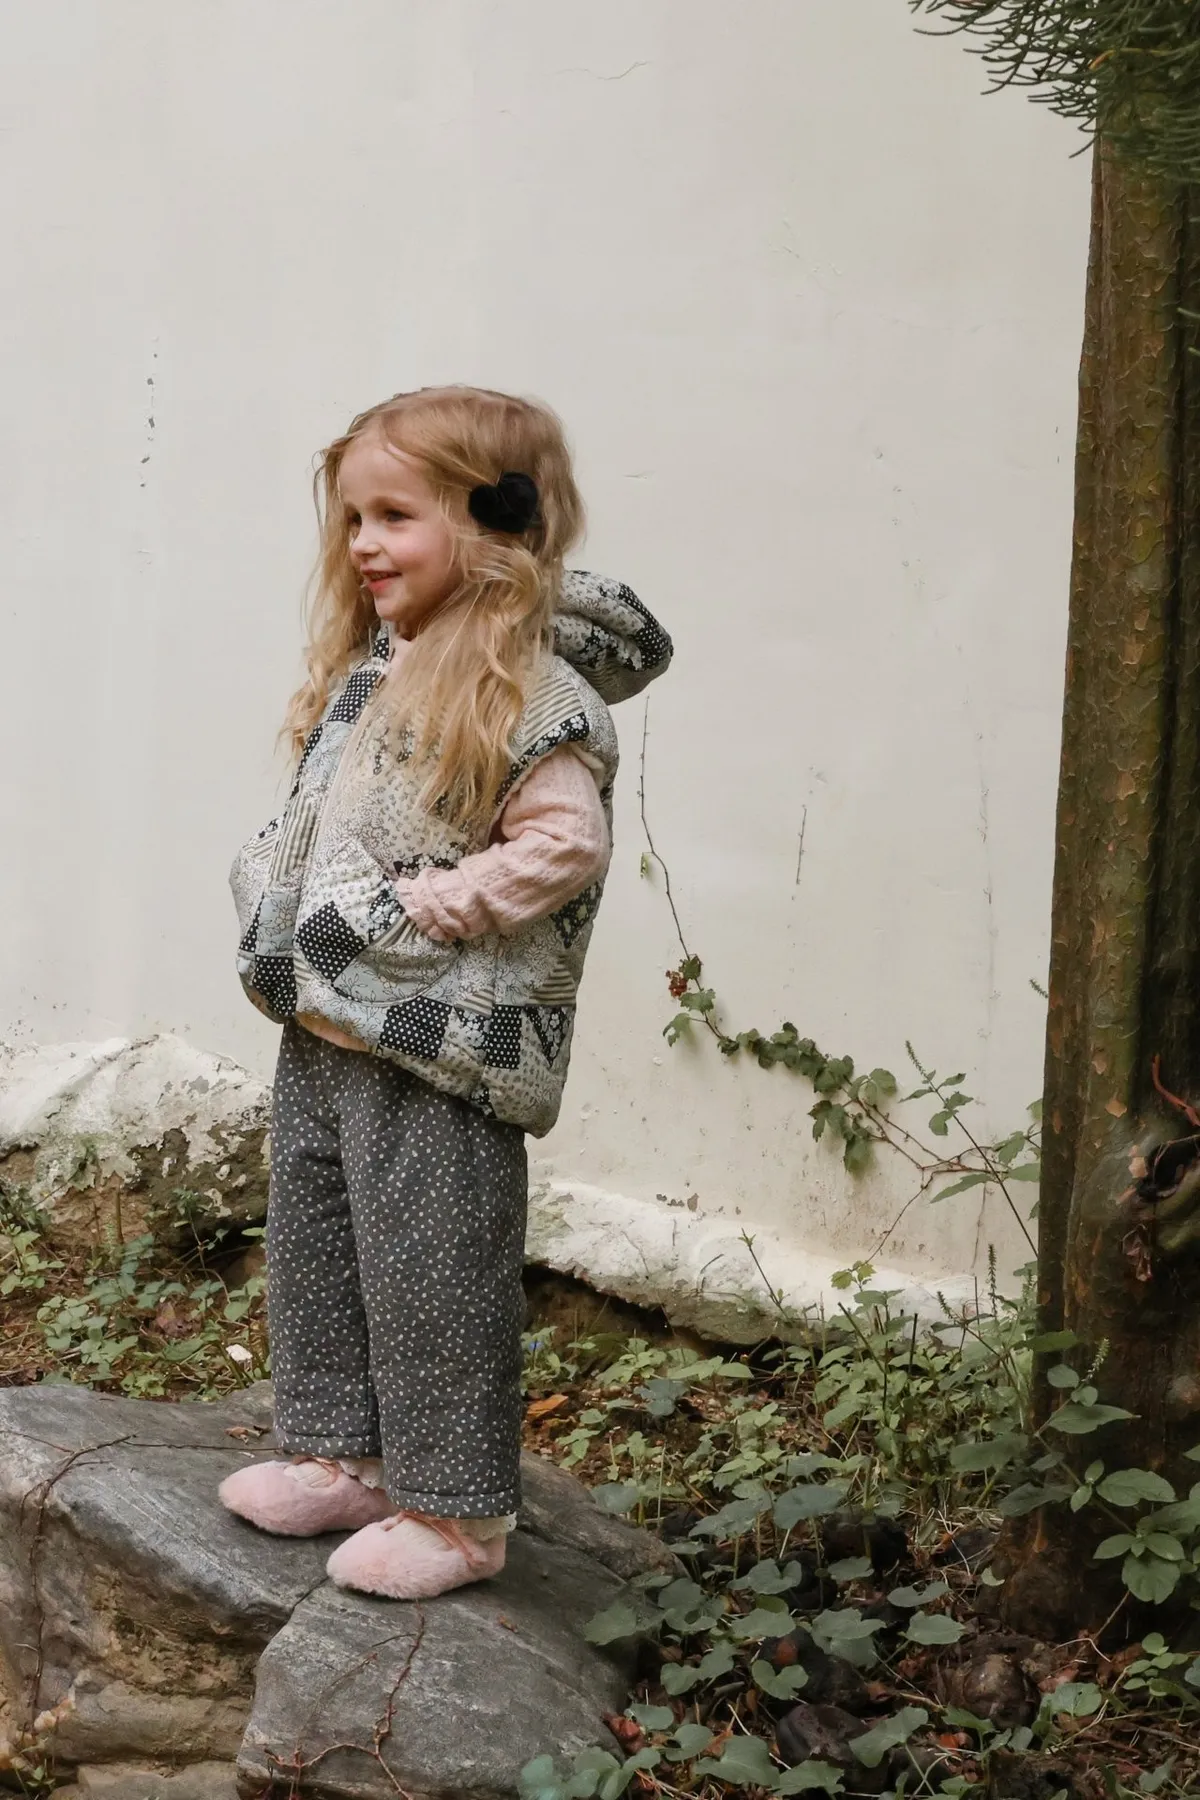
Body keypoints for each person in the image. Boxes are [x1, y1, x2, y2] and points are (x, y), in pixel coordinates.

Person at [218, 385, 672, 1599]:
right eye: (353, 518)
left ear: (499, 520)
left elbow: (563, 843)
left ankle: (458, 1514)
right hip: (330, 1021)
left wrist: (430, 908)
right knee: (318, 1241)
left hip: (439, 1039)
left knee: (434, 1267)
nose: (364, 544)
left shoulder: (531, 690)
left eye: (395, 516)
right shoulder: (382, 666)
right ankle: (345, 1454)